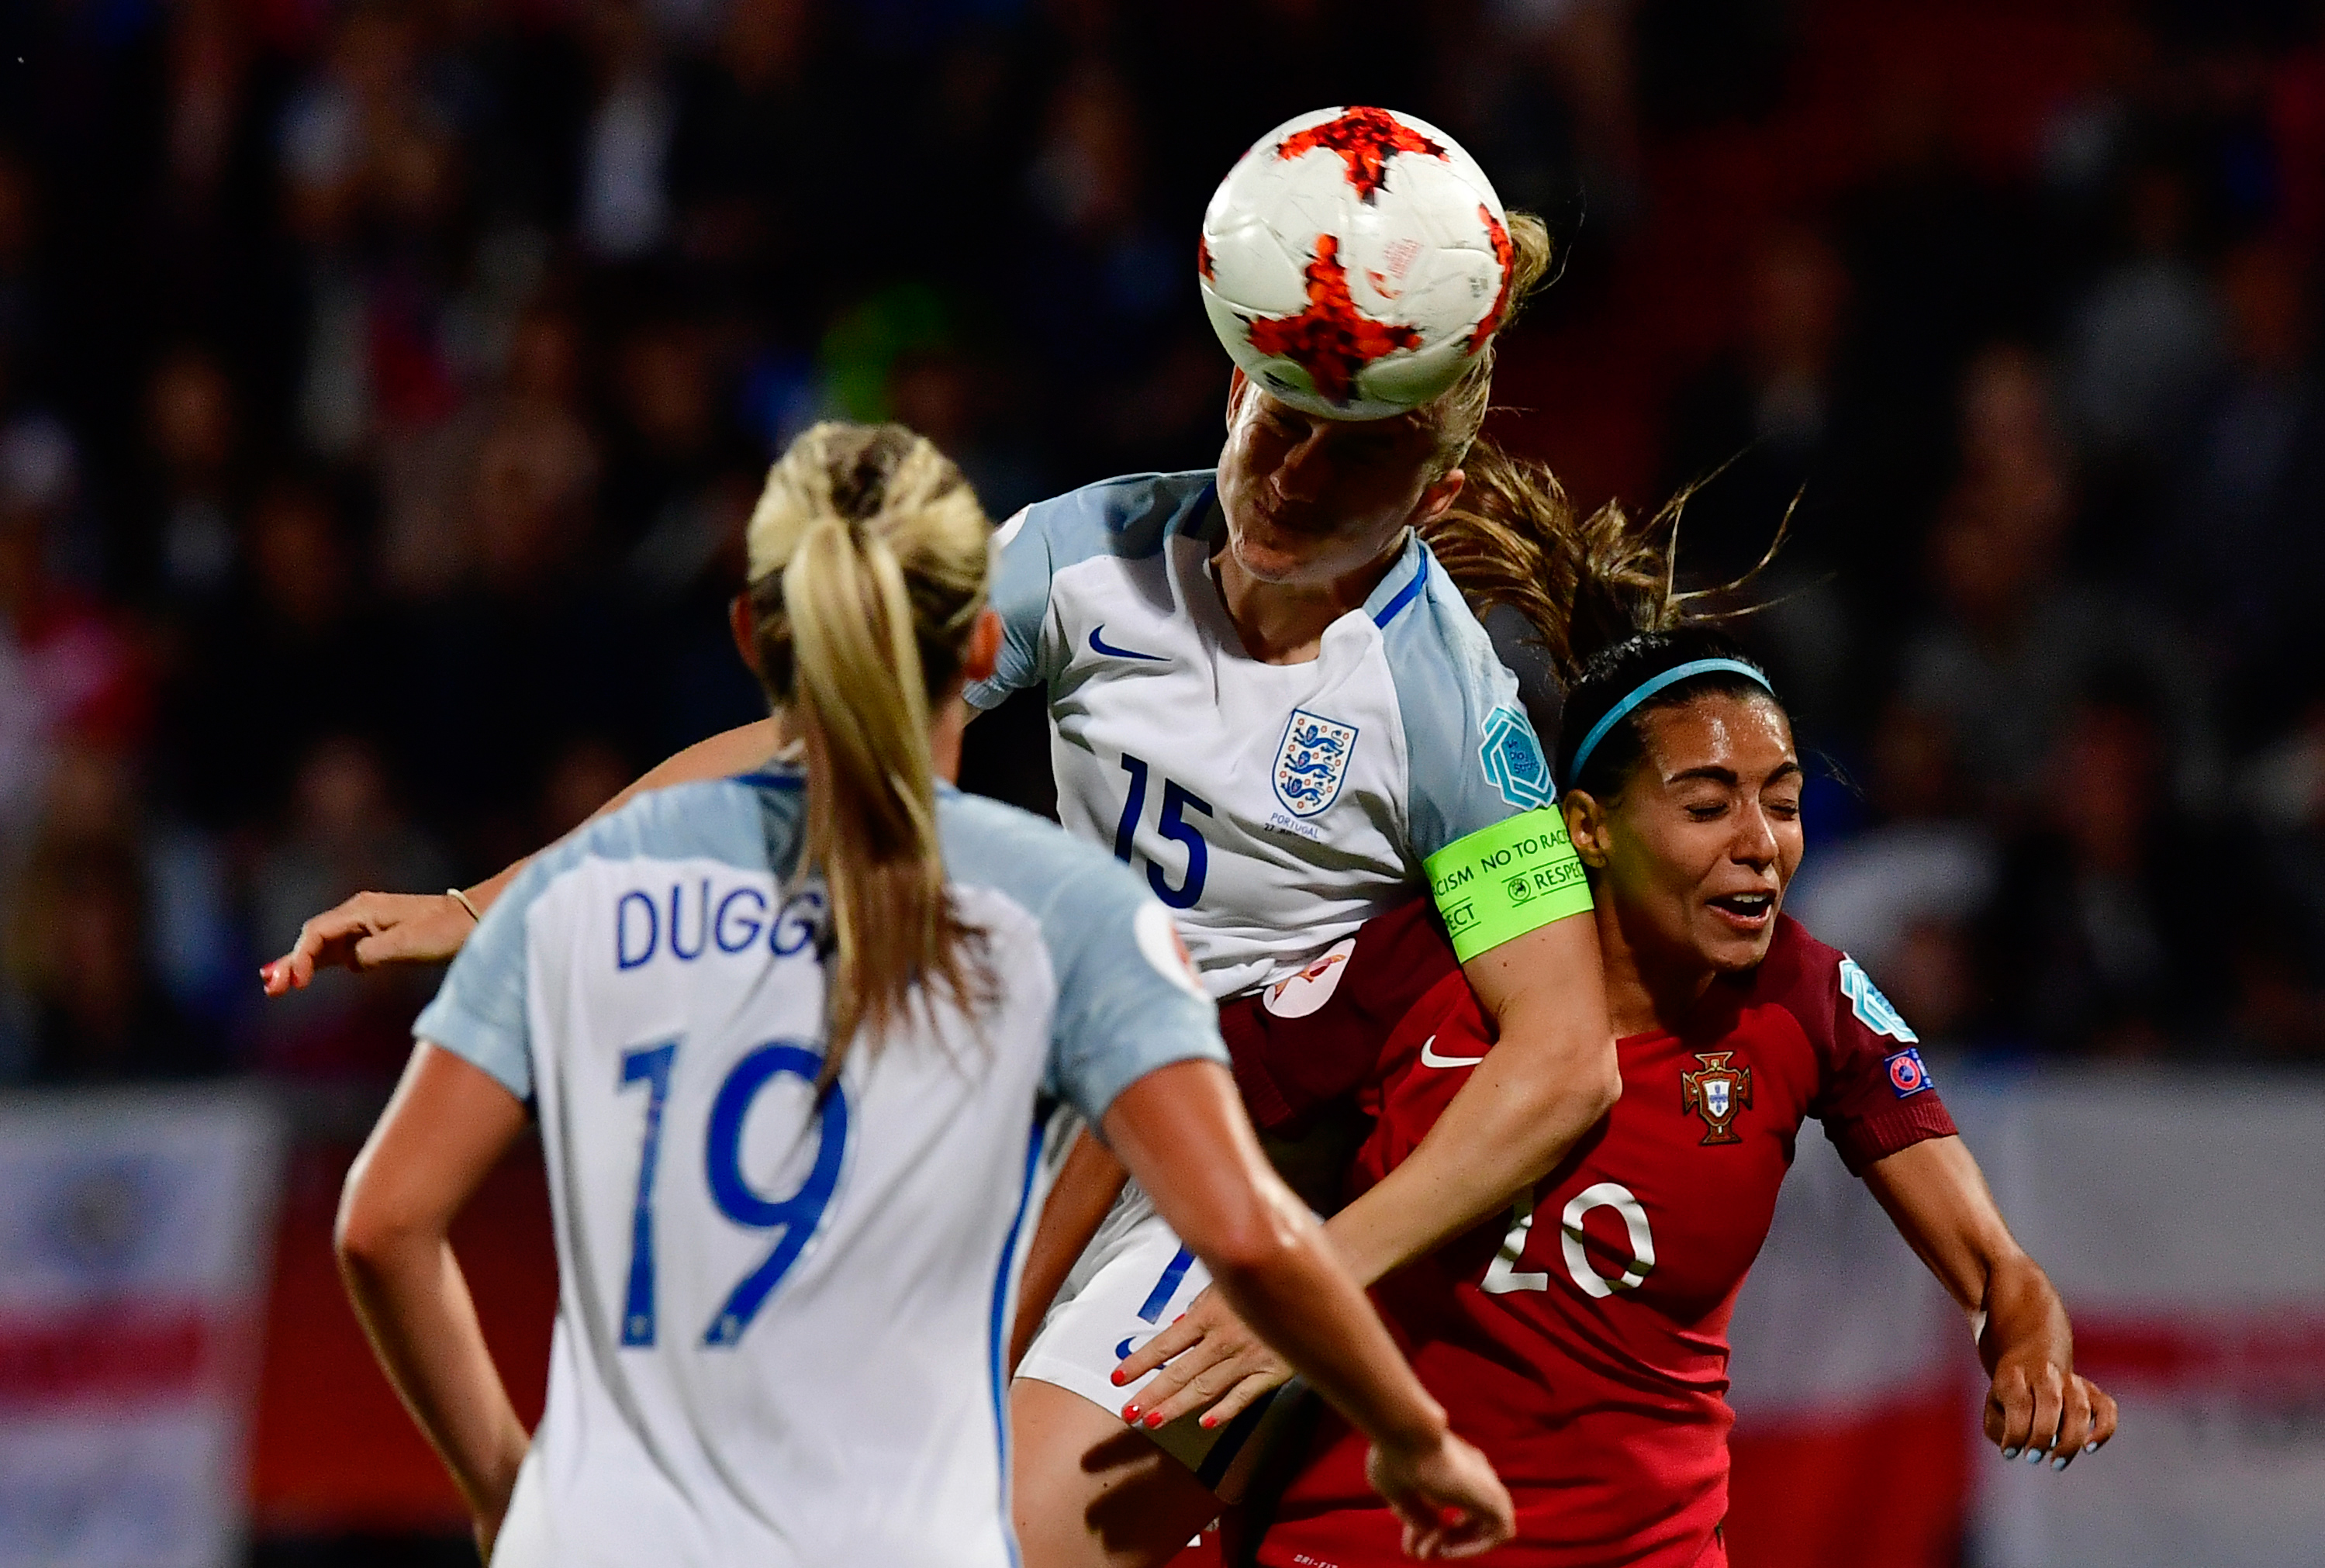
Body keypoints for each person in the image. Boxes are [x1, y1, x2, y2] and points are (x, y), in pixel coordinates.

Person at [275, 109, 1619, 1565]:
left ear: (1437, 483)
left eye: (1348, 454)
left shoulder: (1444, 703)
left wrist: (1316, 1282)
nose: (1290, 474)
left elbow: (1560, 1056)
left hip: (1241, 1182)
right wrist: (485, 904)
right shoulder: (1086, 550)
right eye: (1272, 415)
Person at [330, 423, 1515, 1566]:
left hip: (1186, 1171)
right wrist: (1413, 1439)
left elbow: (383, 1223)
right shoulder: (1079, 889)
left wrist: (501, 1489)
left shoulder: (1438, 698)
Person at [1139, 485, 2118, 1566]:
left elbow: (2000, 1274)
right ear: (1587, 829)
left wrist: (2030, 1354)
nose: (1759, 842)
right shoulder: (1430, 959)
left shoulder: (1807, 998)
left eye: (1782, 801)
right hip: (1369, 1535)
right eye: (1706, 805)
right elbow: (1166, 1092)